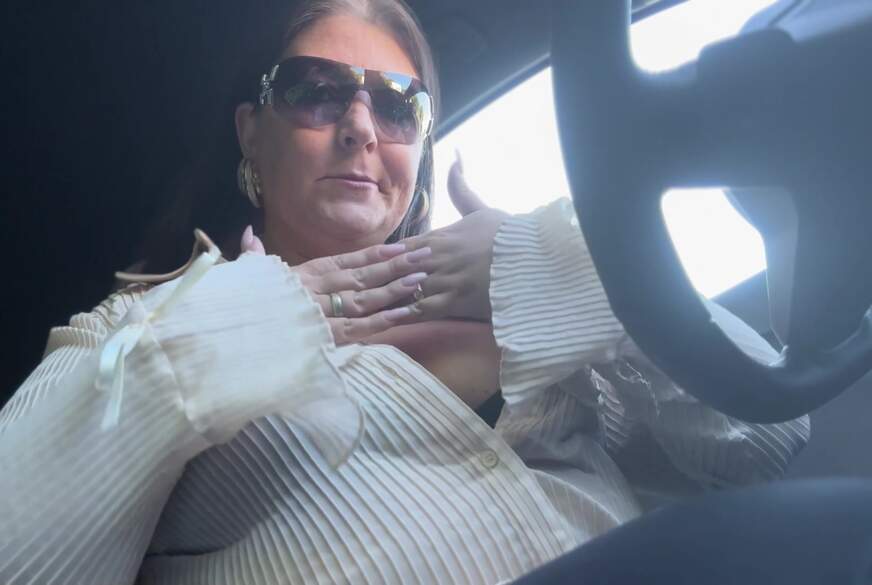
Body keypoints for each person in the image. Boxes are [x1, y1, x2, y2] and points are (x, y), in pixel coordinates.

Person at [0, 0, 810, 583]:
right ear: (252, 130)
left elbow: (767, 441)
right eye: (317, 90)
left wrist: (567, 267)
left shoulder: (524, 296)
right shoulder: (144, 322)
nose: (360, 125)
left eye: (397, 106)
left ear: (420, 147)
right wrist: (224, 329)